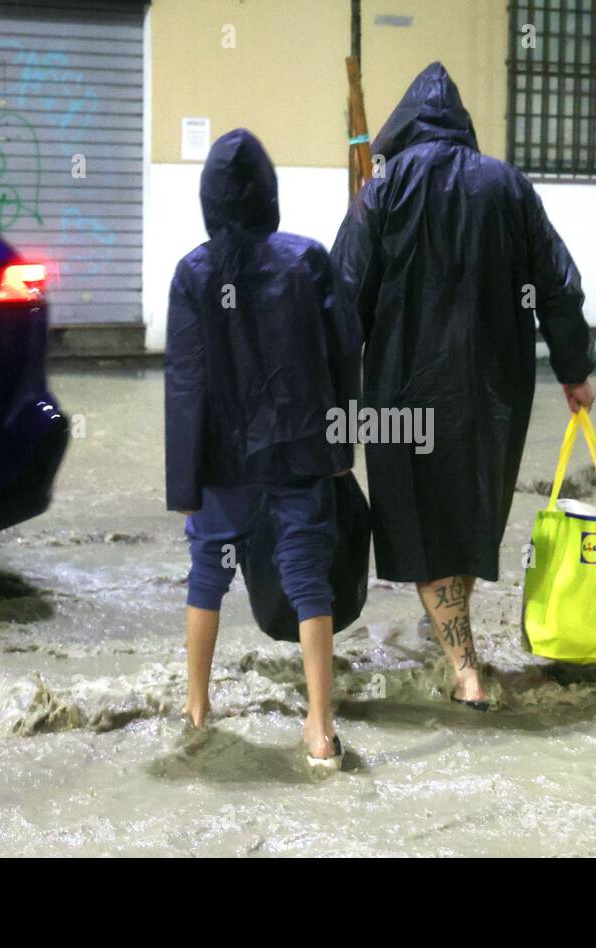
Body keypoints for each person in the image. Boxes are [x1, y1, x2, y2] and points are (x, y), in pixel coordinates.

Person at [331, 63, 595, 708]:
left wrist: (331, 399)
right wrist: (574, 369)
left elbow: (343, 298)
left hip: (401, 393)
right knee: (470, 516)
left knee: (421, 522)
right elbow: (558, 284)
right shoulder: (508, 185)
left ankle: (465, 667)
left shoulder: (382, 188)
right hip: (493, 391)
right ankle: (456, 641)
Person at [165, 128, 360, 768]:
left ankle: (196, 709)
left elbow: (186, 381)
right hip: (301, 451)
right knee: (309, 580)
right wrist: (341, 445)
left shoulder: (193, 273)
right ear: (269, 193)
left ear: (208, 200)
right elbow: (344, 353)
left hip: (223, 464)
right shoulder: (306, 261)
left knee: (207, 576)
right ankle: (320, 726)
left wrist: (184, 483)